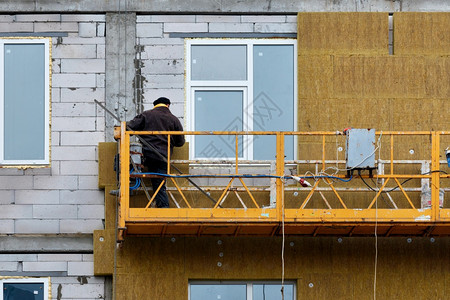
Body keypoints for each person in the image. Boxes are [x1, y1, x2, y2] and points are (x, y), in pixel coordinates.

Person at [127, 97, 185, 208]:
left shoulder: (146, 115)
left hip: (145, 155)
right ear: (168, 105)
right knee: (159, 185)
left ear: (155, 105)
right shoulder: (174, 120)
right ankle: (163, 207)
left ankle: (132, 179)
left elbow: (129, 128)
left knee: (126, 161)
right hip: (163, 156)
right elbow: (180, 142)